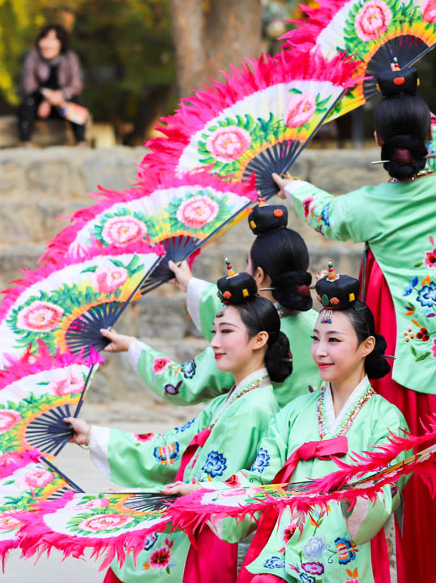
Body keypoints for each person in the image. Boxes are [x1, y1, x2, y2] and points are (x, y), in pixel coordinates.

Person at [272, 60, 436, 582]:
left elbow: (326, 213)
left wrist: (292, 186)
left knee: (407, 468)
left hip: (406, 355)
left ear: (377, 140)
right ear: (429, 135)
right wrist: (408, 92)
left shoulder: (366, 205)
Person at [65, 265, 290, 582]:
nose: (214, 342)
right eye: (214, 332)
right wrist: (93, 435)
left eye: (226, 332)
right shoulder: (231, 399)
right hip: (190, 520)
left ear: (260, 339)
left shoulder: (254, 408)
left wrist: (194, 490)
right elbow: (170, 448)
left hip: (206, 536)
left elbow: (226, 487)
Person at [208, 265, 408, 583]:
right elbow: (260, 479)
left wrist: (353, 492)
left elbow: (383, 495)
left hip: (345, 560)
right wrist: (206, 492)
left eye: (333, 340)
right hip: (285, 553)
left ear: (366, 347)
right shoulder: (293, 413)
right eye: (315, 339)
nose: (320, 351)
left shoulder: (387, 420)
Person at [100, 204, 323, 408]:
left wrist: (132, 347)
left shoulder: (248, 336)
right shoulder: (322, 326)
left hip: (261, 442)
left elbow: (182, 384)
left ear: (259, 275)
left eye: (247, 263)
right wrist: (190, 284)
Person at [18, 24, 87, 145]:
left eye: (52, 39)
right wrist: (46, 97)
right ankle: (25, 142)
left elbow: (76, 85)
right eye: (44, 38)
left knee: (76, 103)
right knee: (27, 103)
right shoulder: (33, 56)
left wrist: (57, 97)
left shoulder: (70, 57)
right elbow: (28, 85)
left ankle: (81, 141)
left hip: (61, 104)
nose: (46, 43)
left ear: (61, 42)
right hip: (38, 105)